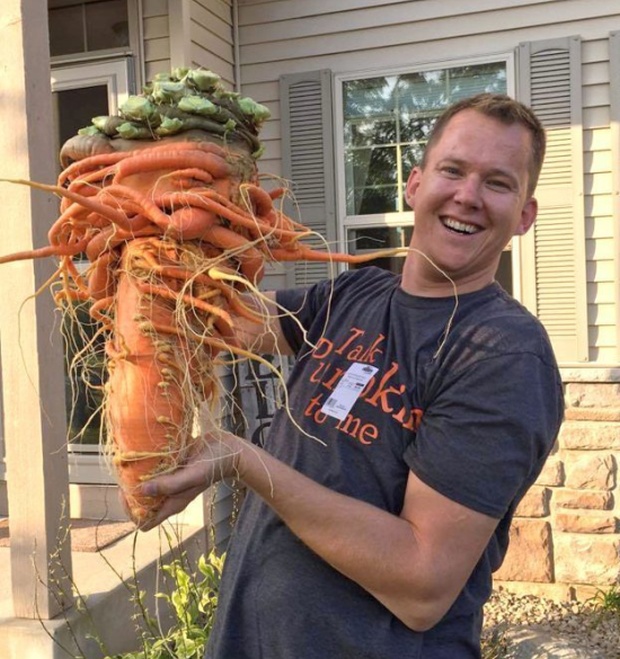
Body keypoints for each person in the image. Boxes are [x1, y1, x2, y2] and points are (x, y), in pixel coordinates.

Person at [134, 93, 565, 658]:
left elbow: (422, 581)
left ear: (525, 215)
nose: (467, 196)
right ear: (414, 185)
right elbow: (224, 323)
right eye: (453, 170)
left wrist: (245, 460)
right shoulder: (358, 290)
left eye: (498, 183)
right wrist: (163, 224)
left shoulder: (501, 355)